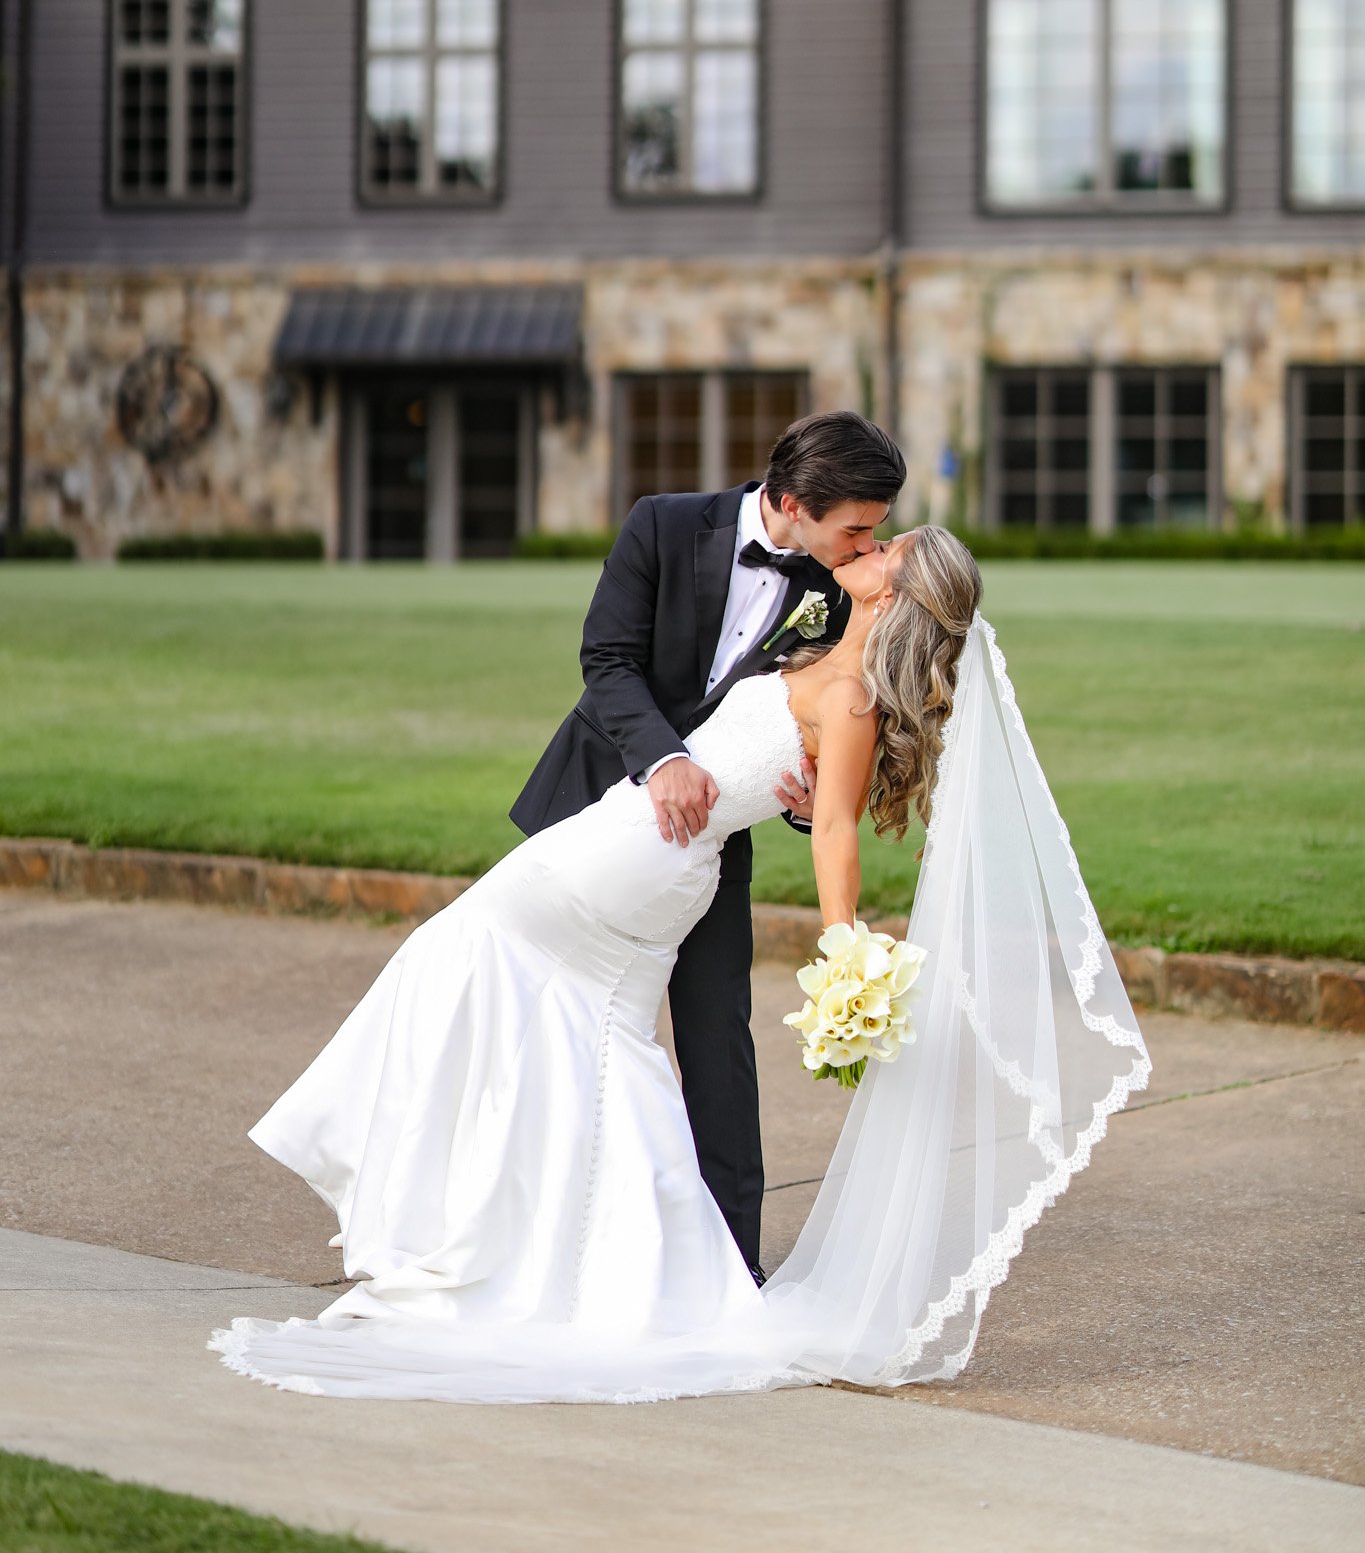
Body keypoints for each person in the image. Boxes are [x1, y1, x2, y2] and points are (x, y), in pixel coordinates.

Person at [211, 525, 1151, 1403]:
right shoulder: (820, 645)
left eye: (884, 547)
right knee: (587, 1041)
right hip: (644, 844)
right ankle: (614, 1264)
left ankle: (531, 1245)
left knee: (468, 963)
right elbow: (783, 774)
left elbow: (832, 828)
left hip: (640, 858)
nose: (866, 544)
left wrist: (841, 943)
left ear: (895, 592)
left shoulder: (855, 693)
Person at [509, 409, 906, 1279]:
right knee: (551, 1023)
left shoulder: (843, 586)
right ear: (794, 501)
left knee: (717, 1033)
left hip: (712, 846)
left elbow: (818, 739)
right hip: (596, 811)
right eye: (855, 528)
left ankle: (730, 1267)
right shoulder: (661, 523)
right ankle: (536, 1232)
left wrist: (798, 801)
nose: (867, 544)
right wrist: (665, 759)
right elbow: (607, 659)